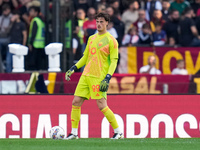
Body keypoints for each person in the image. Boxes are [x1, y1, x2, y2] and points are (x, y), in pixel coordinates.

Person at [64, 12, 123, 140]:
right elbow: (86, 57)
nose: (99, 24)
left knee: (102, 105)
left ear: (107, 23)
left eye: (102, 21)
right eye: (97, 21)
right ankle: (74, 133)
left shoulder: (111, 40)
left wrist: (107, 77)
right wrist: (74, 68)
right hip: (86, 75)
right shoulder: (91, 38)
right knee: (76, 102)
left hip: (99, 77)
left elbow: (114, 61)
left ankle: (118, 132)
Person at [27, 6, 46, 70]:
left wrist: (30, 43)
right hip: (41, 44)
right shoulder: (42, 20)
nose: (30, 13)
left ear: (36, 12)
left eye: (31, 11)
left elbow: (33, 32)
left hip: (35, 44)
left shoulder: (35, 20)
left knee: (33, 63)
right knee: (39, 64)